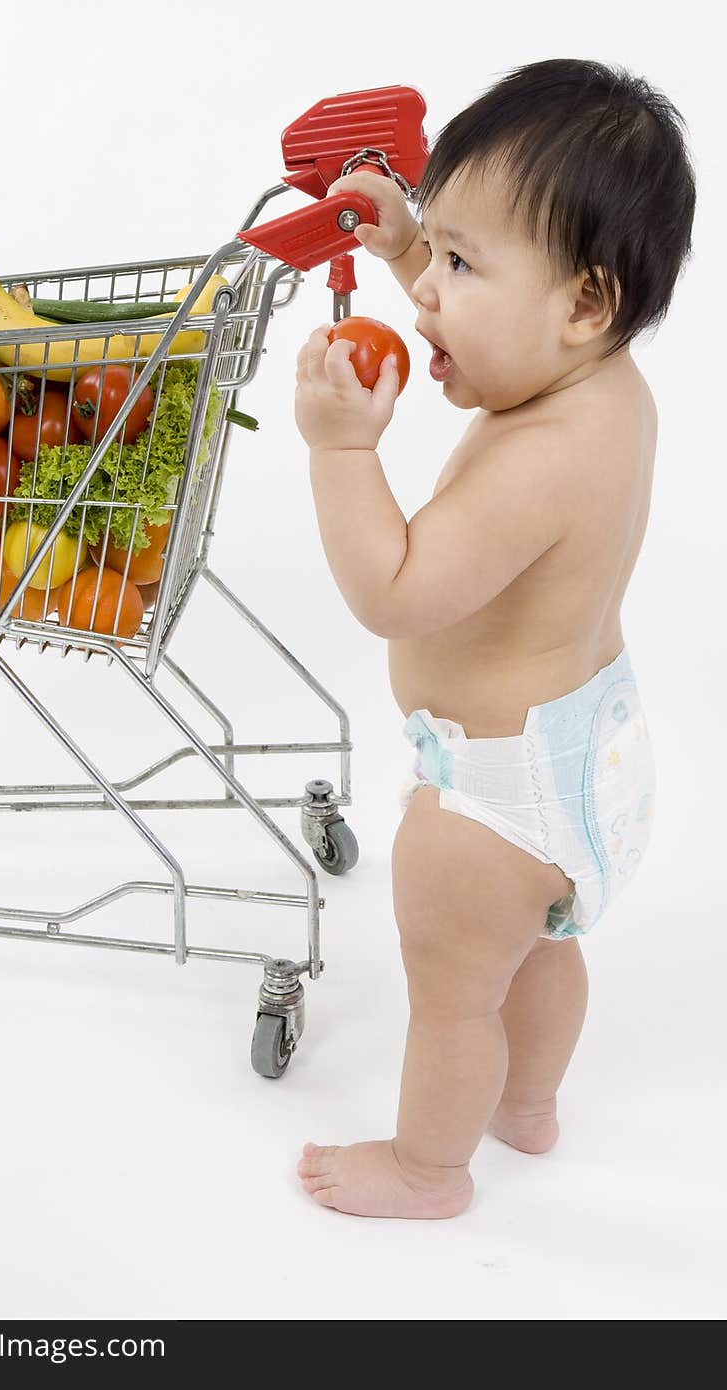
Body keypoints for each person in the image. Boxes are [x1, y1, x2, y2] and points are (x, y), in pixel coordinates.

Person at [293, 57, 696, 1219]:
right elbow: (505, 308)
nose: (427, 297)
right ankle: (528, 1107)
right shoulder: (601, 391)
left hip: (489, 793)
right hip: (585, 758)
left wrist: (340, 452)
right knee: (542, 948)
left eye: (460, 266)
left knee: (454, 992)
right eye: (442, 255)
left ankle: (428, 1168)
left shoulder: (532, 459)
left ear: (583, 303)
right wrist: (414, 243)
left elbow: (397, 587)